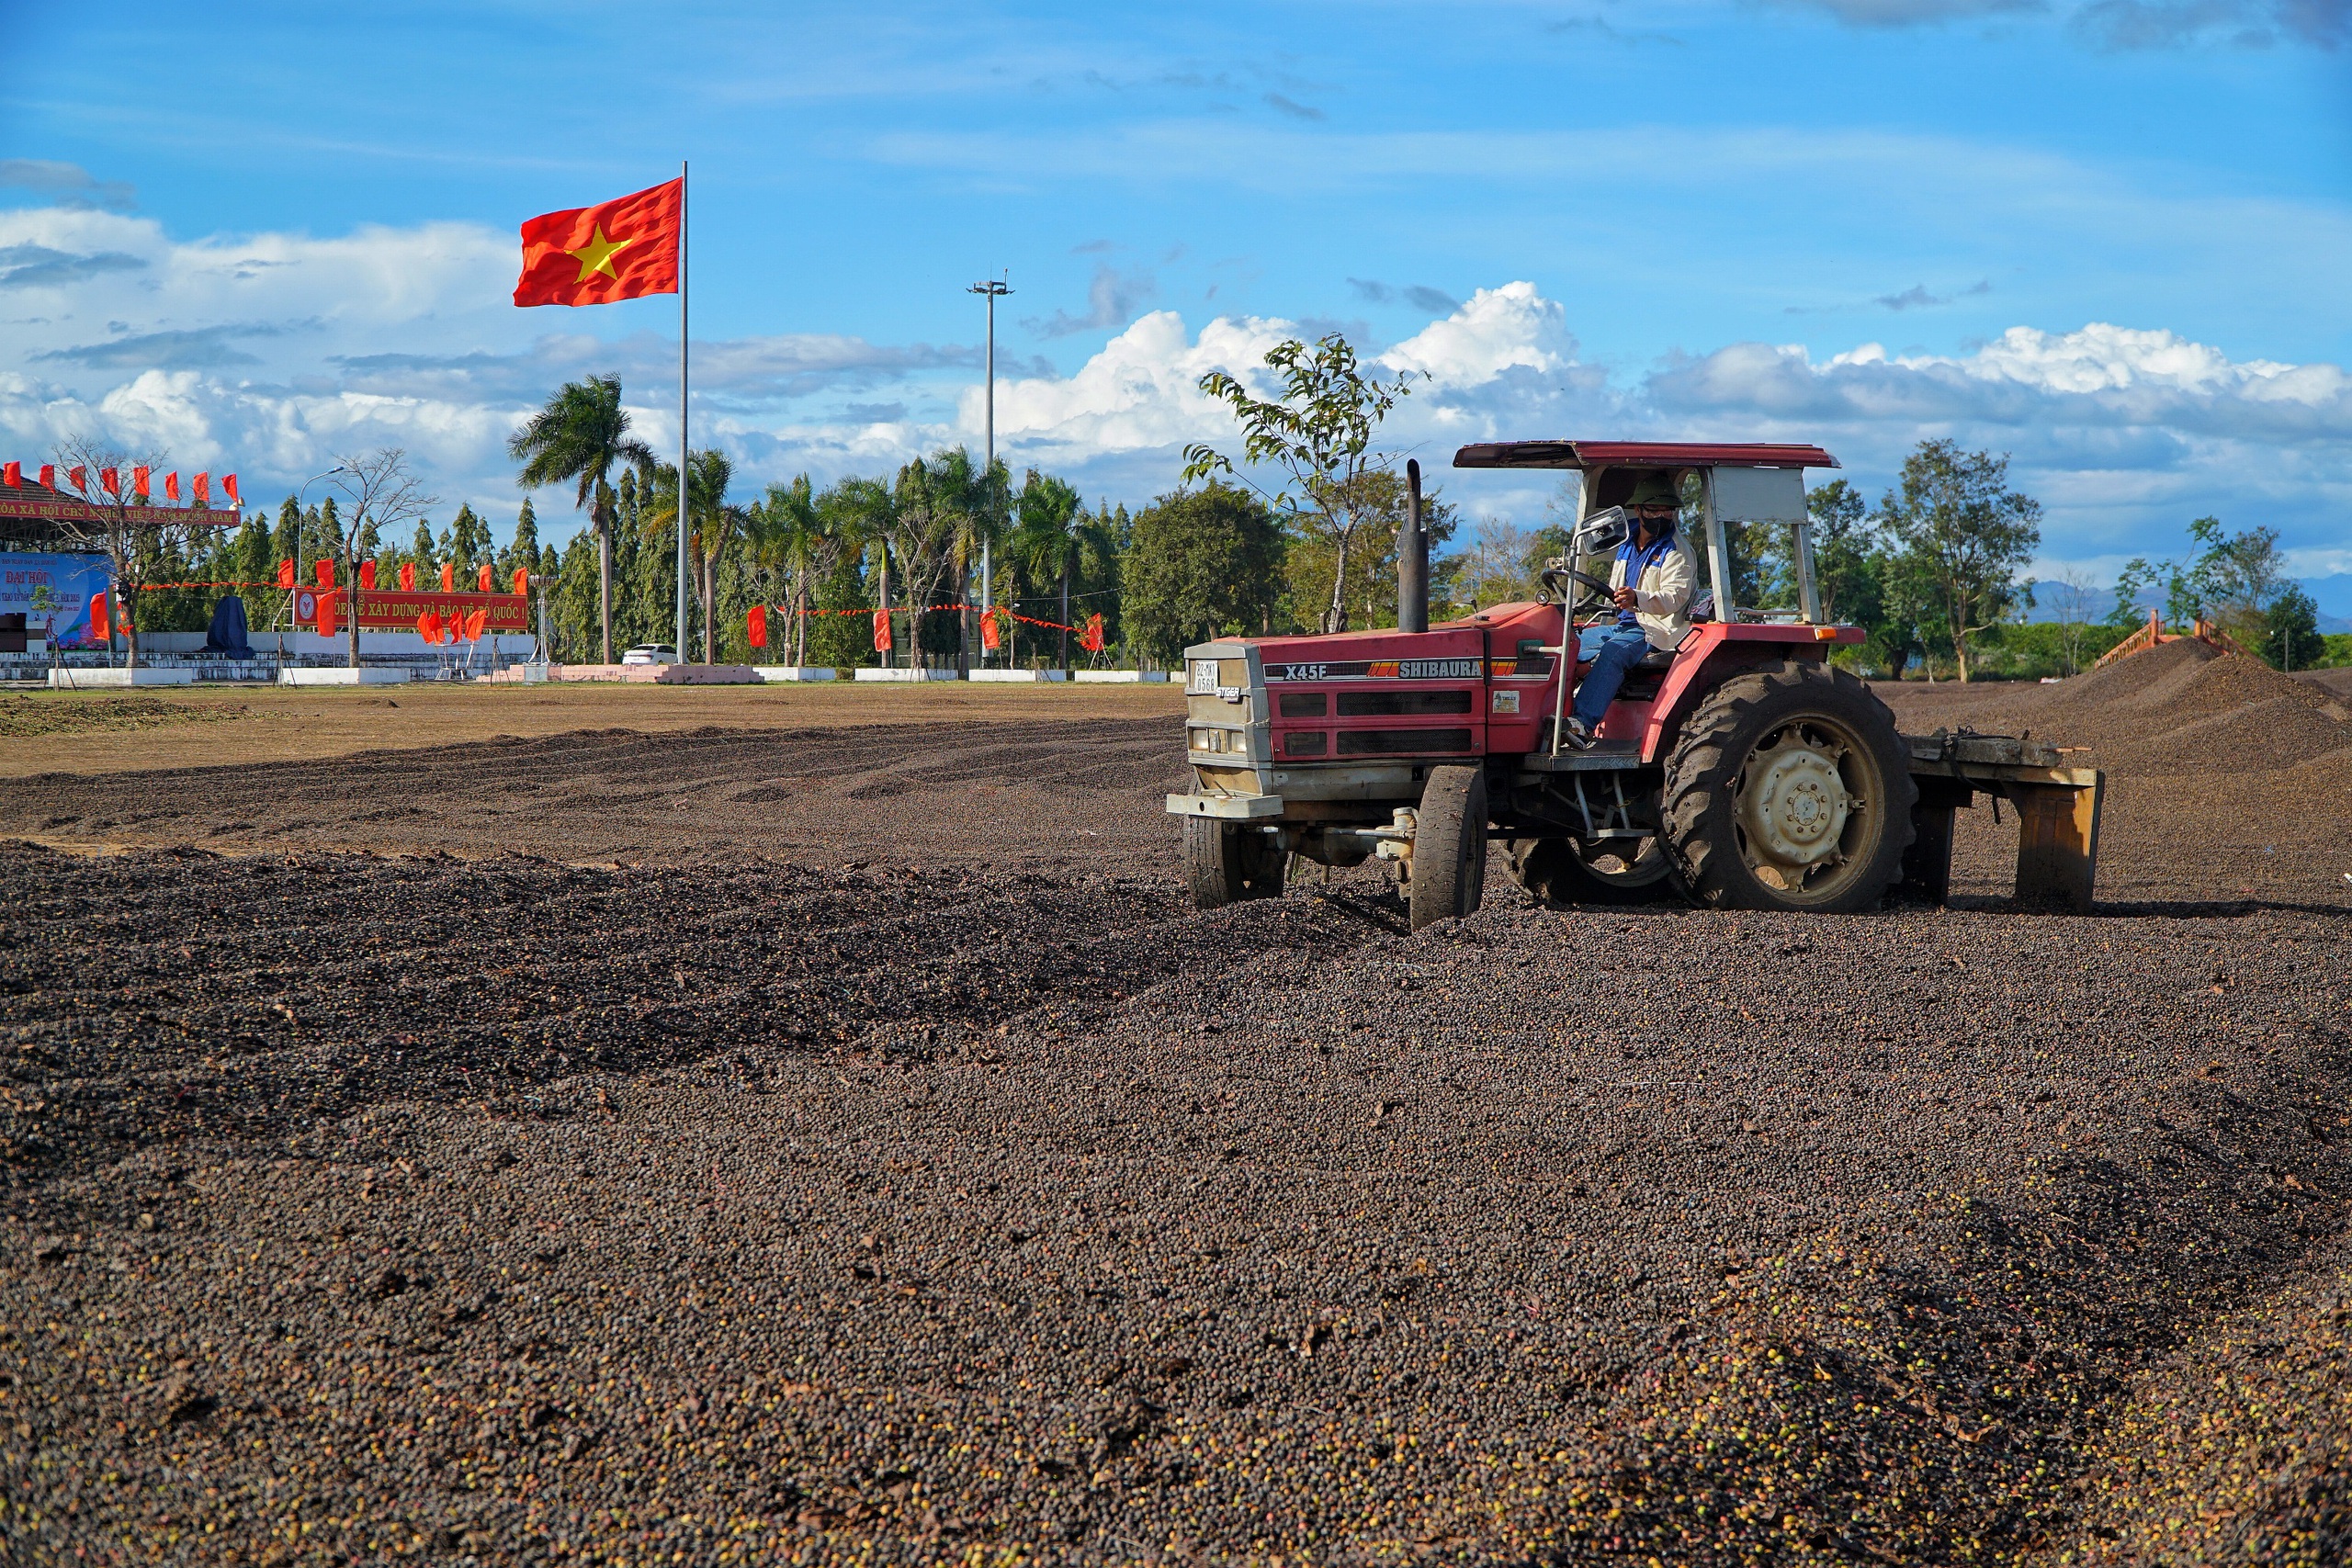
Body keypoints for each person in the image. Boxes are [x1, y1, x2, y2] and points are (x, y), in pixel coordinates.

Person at [1560, 473, 1697, 749]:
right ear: (1638, 510)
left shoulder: (1678, 551)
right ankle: (1553, 716)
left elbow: (1674, 597)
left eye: (1667, 510)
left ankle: (1580, 724)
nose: (1662, 516)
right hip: (1621, 623)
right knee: (1566, 644)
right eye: (1655, 510)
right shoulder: (1625, 542)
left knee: (1613, 653)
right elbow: (1614, 586)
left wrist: (1638, 597)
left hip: (1653, 629)